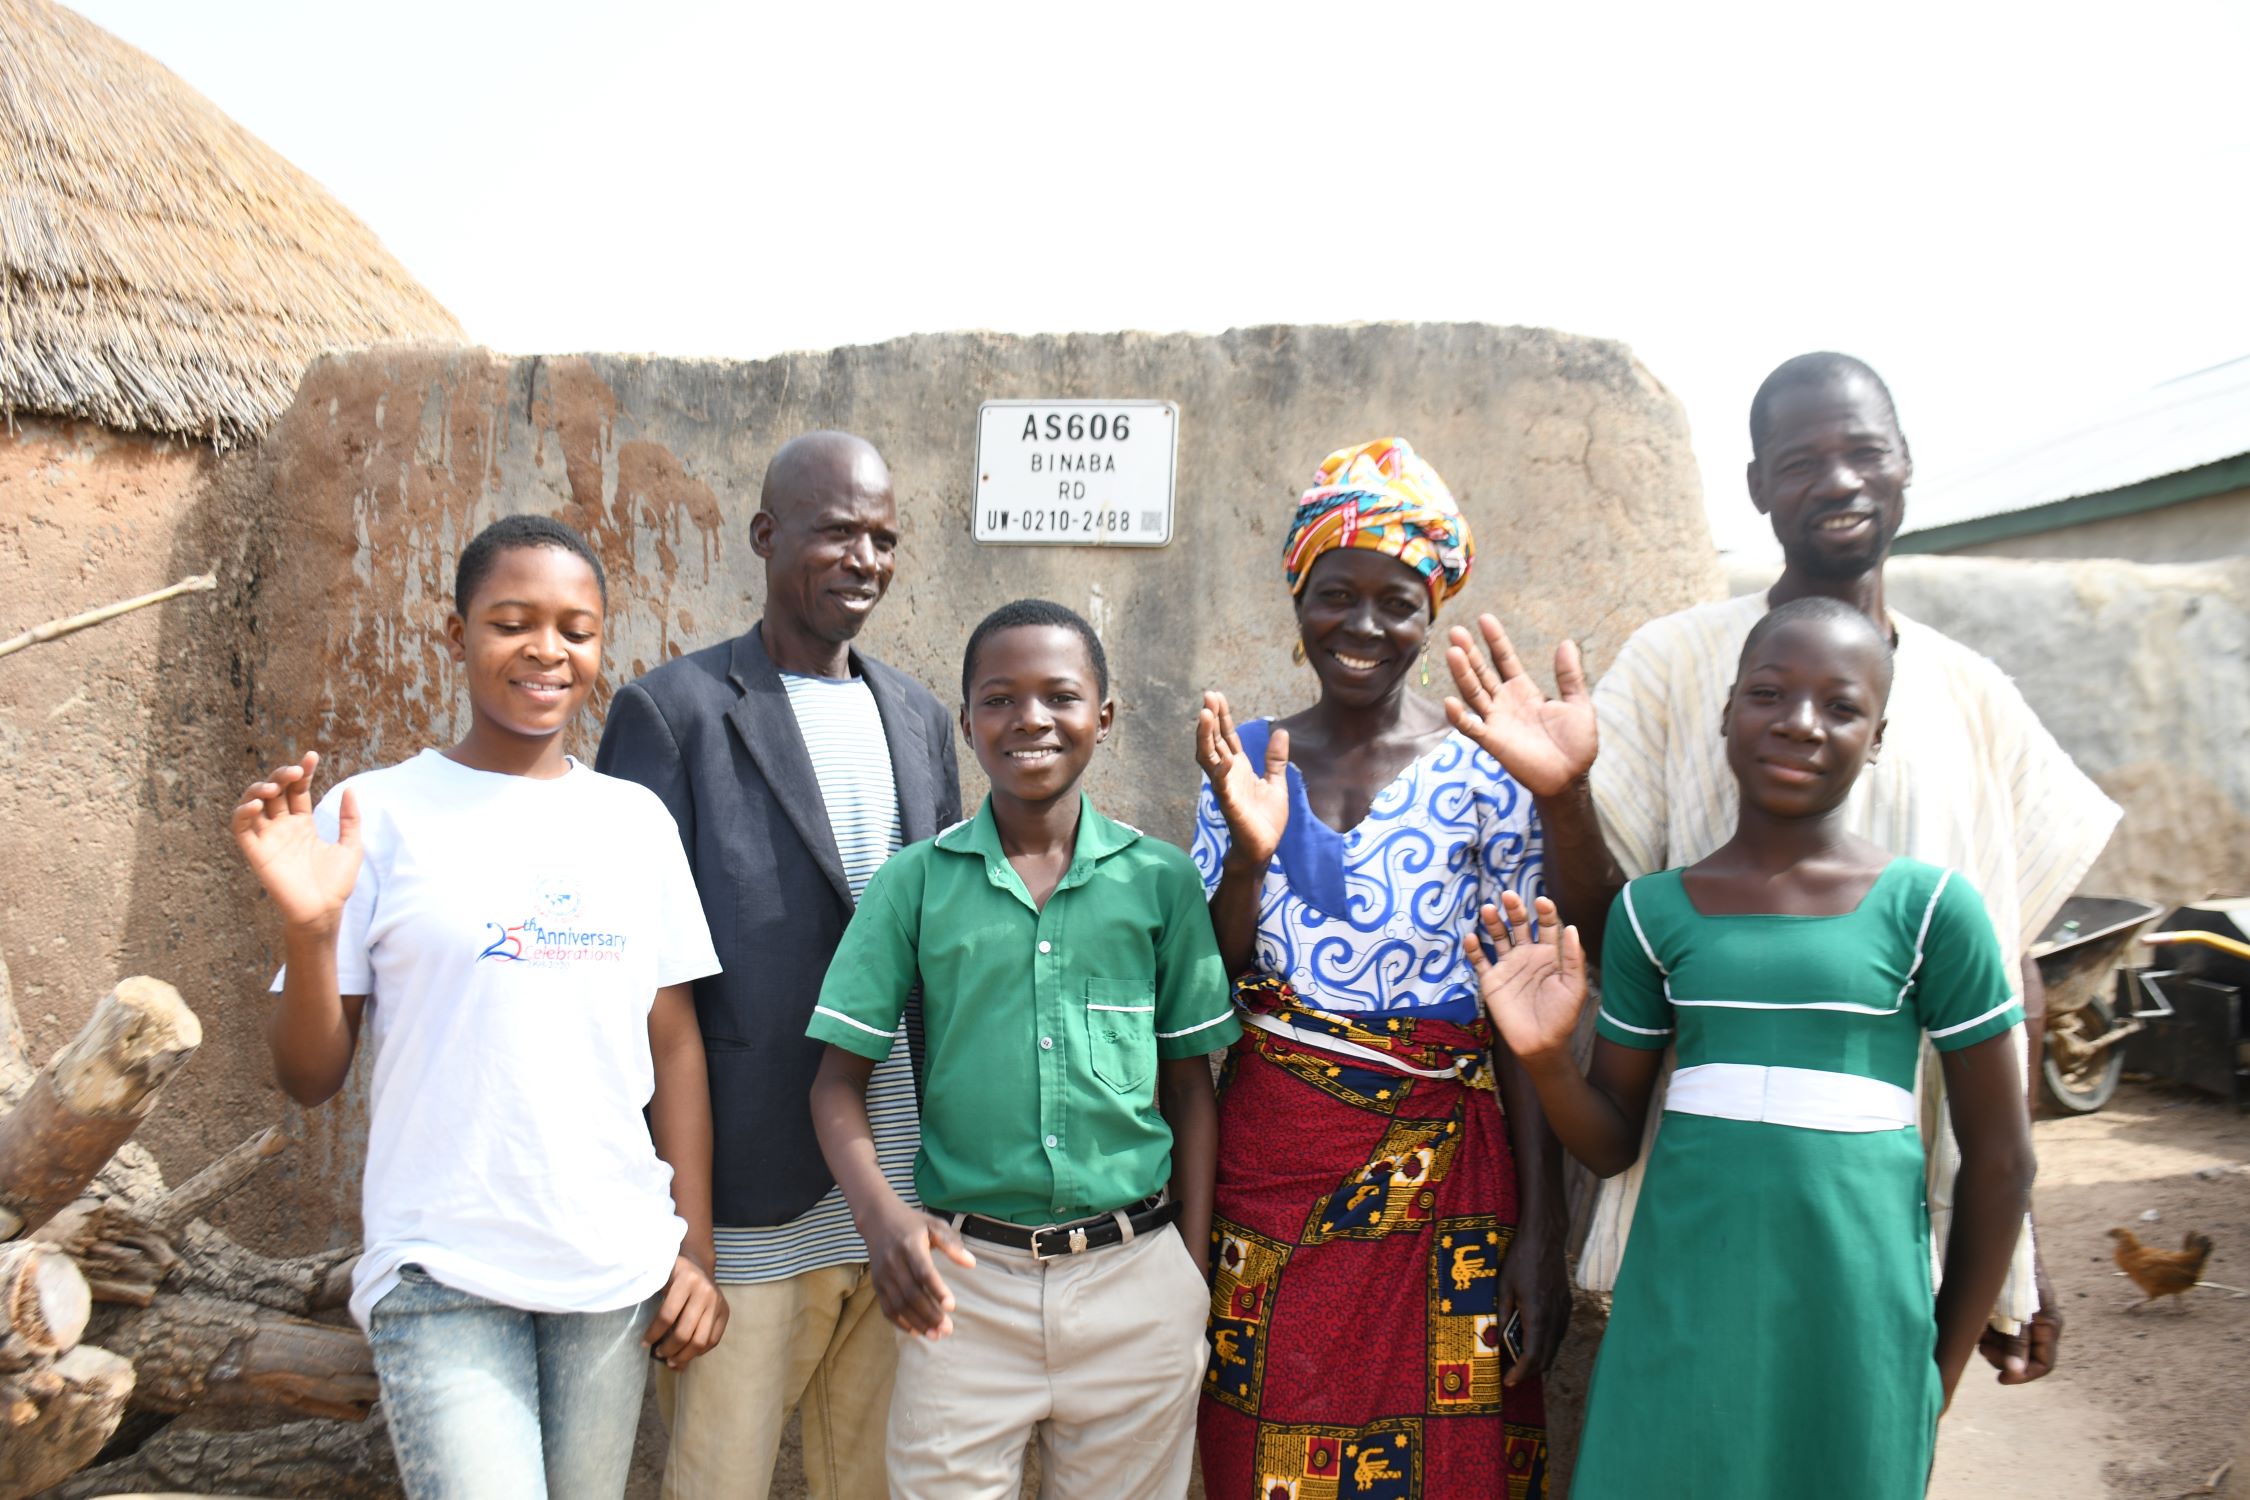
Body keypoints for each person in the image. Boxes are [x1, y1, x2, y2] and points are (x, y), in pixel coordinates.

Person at [1523, 353, 2118, 1382]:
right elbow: (1606, 920)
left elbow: (2009, 973)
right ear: (1758, 488)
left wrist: (2014, 1250)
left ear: (1906, 469)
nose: (1837, 480)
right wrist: (1566, 796)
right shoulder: (1676, 663)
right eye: (1801, 460)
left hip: (1886, 1220)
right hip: (1703, 1205)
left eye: (1863, 453)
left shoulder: (1973, 695)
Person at [1469, 596, 2038, 1497]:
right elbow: (1612, 1141)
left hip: (1858, 1330)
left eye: (1841, 706)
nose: (1802, 724)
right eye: (1770, 693)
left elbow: (2002, 1162)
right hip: (1678, 1320)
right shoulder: (1654, 914)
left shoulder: (1930, 911)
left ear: (1878, 737)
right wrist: (1545, 1058)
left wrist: (1936, 1370)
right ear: (1726, 713)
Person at [233, 514, 727, 1499]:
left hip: (611, 1274)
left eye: (576, 629)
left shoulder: (634, 823)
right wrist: (310, 931)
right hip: (442, 1265)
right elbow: (308, 1077)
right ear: (454, 635)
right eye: (512, 622)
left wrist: (694, 1252)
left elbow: (673, 1047)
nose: (547, 650)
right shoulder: (376, 815)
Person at [1191, 438, 1604, 1498]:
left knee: (1449, 1466)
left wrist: (1539, 1234)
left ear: (1433, 613)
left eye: (1397, 601)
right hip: (1270, 1175)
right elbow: (1210, 983)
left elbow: (1521, 1014)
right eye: (1337, 594)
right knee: (1258, 1453)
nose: (1364, 626)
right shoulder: (1245, 756)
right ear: (1299, 596)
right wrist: (1247, 854)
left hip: (1453, 1186)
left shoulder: (1485, 770)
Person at [595, 432, 960, 1500]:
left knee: (876, 1482)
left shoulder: (922, 719)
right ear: (766, 536)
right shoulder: (674, 715)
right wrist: (679, 1235)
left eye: (885, 538)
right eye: (838, 530)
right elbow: (636, 992)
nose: (866, 558)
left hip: (903, 1198)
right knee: (720, 1479)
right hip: (750, 1207)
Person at [807, 599, 1239, 1500]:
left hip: (1136, 1282)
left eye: (1060, 696)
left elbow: (1191, 1088)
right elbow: (836, 1083)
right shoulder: (916, 883)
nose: (1030, 719)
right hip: (967, 1292)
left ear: (1104, 719)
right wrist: (882, 1218)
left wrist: (1187, 1275)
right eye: (999, 698)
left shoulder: (1158, 882)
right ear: (967, 722)